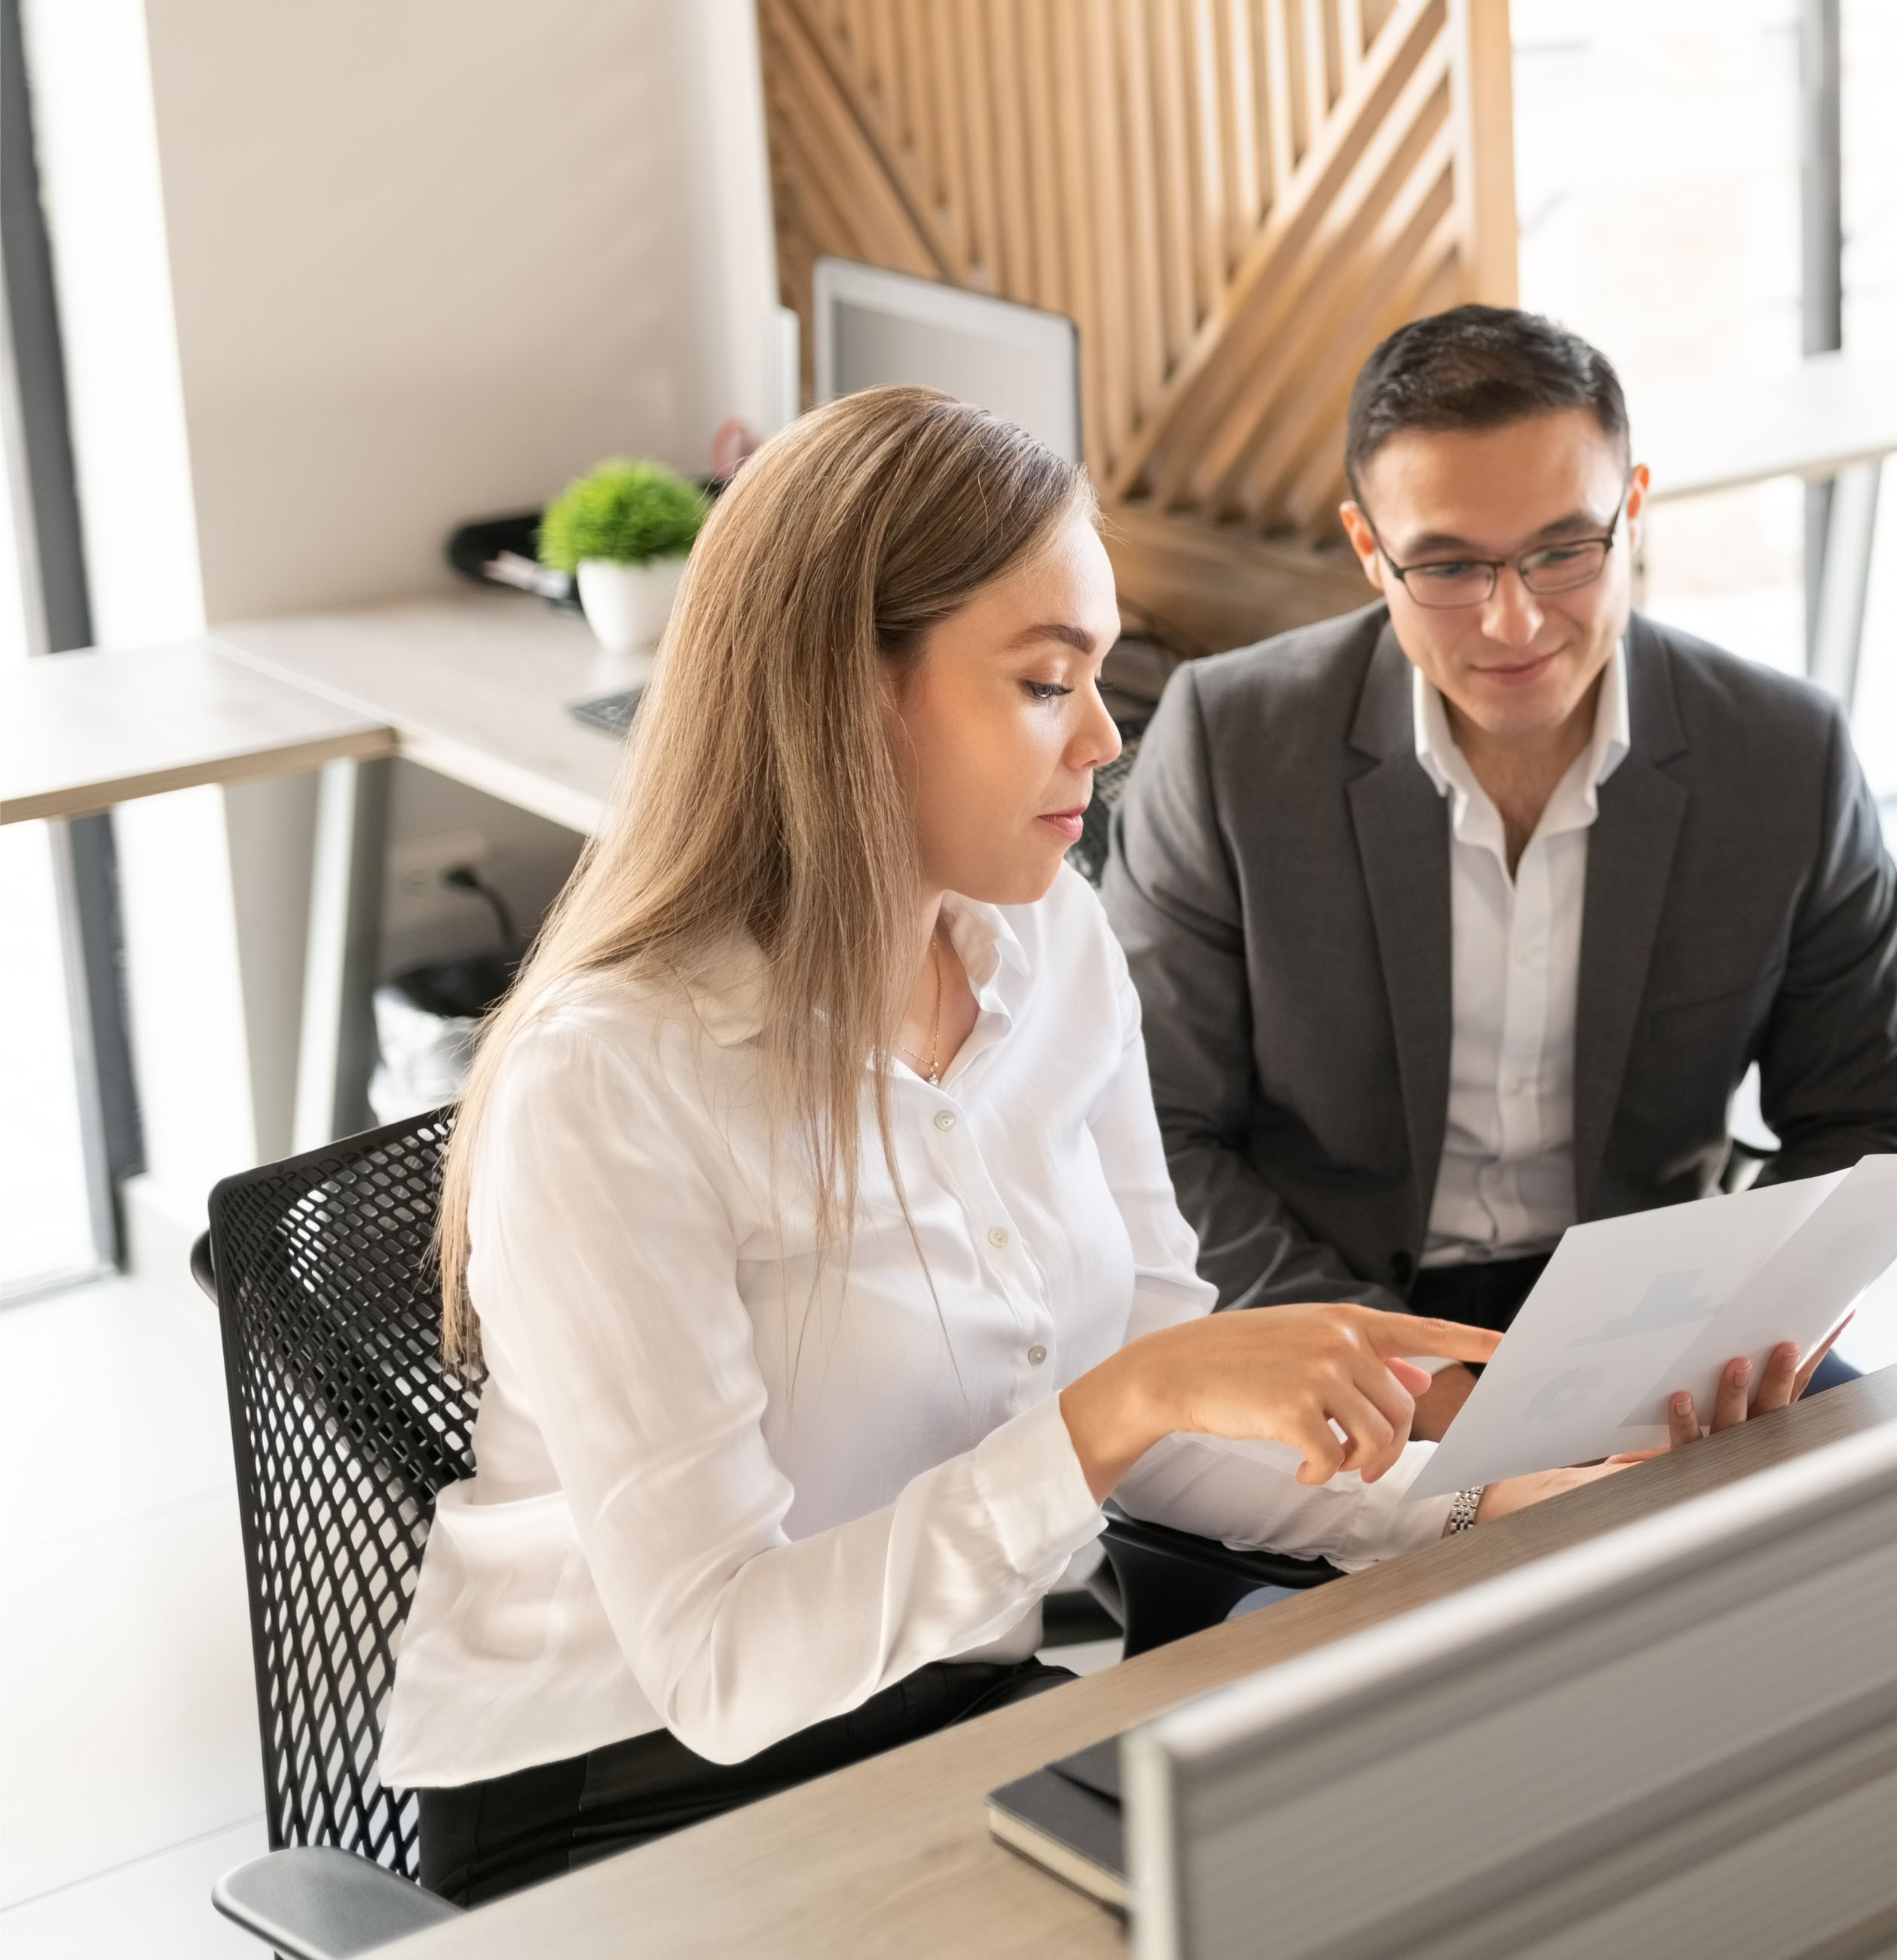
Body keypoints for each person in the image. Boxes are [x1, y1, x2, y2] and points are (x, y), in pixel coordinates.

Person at [381, 389, 1799, 1906]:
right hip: (626, 1798)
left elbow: (1165, 1387)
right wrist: (1111, 1411)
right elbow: (725, 1666)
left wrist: (1473, 1497)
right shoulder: (612, 1081)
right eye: (1048, 681)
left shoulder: (1047, 940)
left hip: (947, 1705)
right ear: (851, 696)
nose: (1108, 736)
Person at [1103, 306, 1897, 1417]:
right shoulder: (1228, 743)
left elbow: (1868, 1118)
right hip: (1326, 1315)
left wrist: (1738, 1326)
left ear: (1632, 512)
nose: (1514, 619)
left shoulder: (1785, 753)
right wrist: (1418, 1384)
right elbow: (1155, 1133)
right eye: (1448, 564)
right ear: (1369, 548)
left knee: (1893, 1523)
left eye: (1563, 550)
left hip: (1669, 1321)